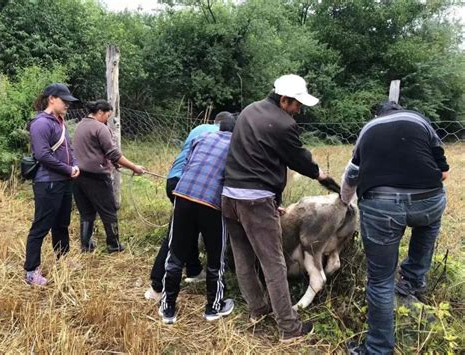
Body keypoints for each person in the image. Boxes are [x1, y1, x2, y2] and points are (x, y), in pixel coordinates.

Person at [221, 74, 330, 342]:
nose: (298, 111)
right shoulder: (283, 124)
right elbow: (297, 158)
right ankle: (289, 329)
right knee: (273, 264)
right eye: (296, 105)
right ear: (284, 100)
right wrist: (318, 173)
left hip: (229, 196)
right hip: (256, 200)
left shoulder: (248, 111)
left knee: (243, 257)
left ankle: (258, 310)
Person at [341, 101, 449, 355]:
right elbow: (443, 172)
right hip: (429, 200)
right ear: (400, 109)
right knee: (429, 222)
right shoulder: (419, 119)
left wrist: (344, 201)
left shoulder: (367, 129)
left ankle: (378, 349)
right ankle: (412, 279)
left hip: (381, 206)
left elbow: (352, 174)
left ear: (378, 115)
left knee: (380, 281)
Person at [144, 112, 233, 301]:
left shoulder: (200, 130)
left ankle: (193, 269)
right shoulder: (230, 139)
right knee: (175, 238)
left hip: (176, 181)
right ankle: (157, 286)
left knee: (186, 228)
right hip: (200, 188)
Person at [24, 83, 80, 286]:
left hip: (64, 182)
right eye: (64, 101)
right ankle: (31, 270)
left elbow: (69, 149)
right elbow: (43, 155)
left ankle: (63, 258)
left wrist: (74, 165)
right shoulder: (41, 123)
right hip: (48, 183)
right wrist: (68, 169)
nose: (67, 105)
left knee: (61, 224)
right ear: (52, 99)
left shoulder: (59, 122)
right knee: (41, 226)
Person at [73, 100, 146, 253]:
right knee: (109, 211)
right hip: (97, 177)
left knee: (86, 212)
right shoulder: (100, 127)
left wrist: (113, 162)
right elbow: (113, 153)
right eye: (107, 116)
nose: (107, 119)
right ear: (100, 112)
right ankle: (114, 245)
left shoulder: (80, 125)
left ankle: (86, 246)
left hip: (78, 176)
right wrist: (134, 167)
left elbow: (92, 150)